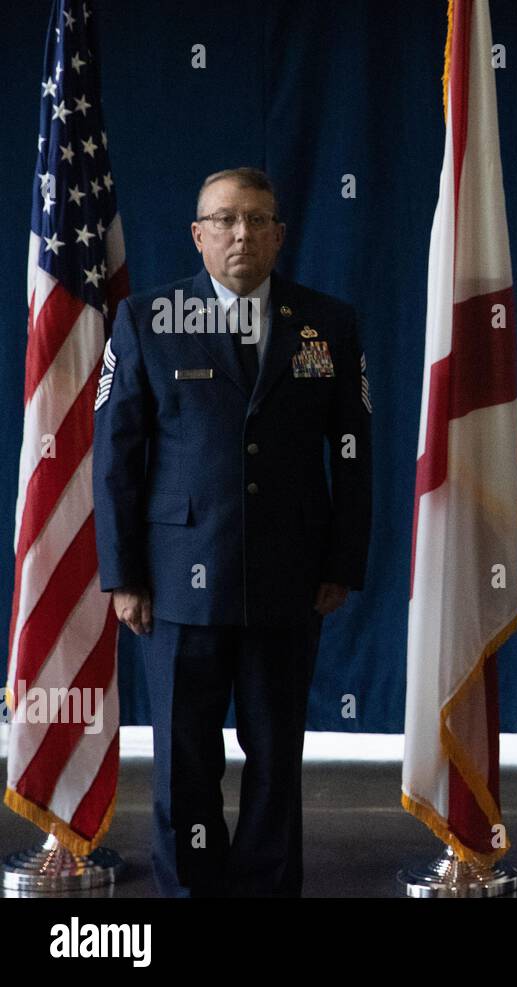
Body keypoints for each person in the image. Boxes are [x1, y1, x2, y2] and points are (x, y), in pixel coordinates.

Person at [92, 167, 372, 896]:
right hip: (178, 582)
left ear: (280, 234)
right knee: (185, 767)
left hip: (290, 578)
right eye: (224, 220)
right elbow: (116, 456)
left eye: (256, 219)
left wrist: (342, 558)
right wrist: (121, 574)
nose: (241, 233)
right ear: (198, 234)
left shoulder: (328, 322)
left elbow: (354, 451)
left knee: (277, 760)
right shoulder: (147, 319)